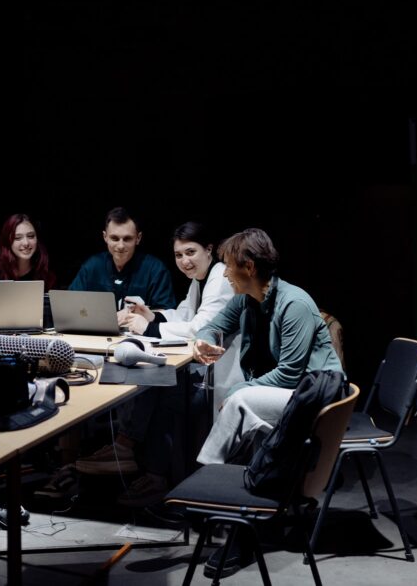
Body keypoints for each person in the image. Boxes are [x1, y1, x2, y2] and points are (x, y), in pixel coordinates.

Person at [74, 221, 238, 506]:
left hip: (219, 376)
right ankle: (140, 462)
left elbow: (200, 327)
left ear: (209, 249)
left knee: (159, 381)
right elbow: (184, 314)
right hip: (203, 368)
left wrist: (148, 328)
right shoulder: (200, 280)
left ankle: (132, 453)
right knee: (155, 379)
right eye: (179, 255)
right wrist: (149, 315)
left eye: (190, 252)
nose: (184, 261)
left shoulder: (219, 278)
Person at [194, 228, 344, 465]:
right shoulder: (245, 300)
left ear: (249, 267)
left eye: (229, 266)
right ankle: (241, 472)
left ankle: (208, 471)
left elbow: (289, 374)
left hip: (317, 395)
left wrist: (238, 391)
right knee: (242, 399)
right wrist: (203, 342)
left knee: (240, 400)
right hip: (290, 393)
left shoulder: (294, 304)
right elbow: (212, 327)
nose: (225, 274)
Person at [68, 206, 175, 313]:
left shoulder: (155, 270)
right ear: (105, 237)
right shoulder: (92, 266)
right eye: (114, 238)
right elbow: (71, 304)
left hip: (139, 324)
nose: (120, 246)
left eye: (127, 239)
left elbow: (167, 313)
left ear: (138, 238)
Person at [0, 214, 56, 289]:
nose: (26, 243)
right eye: (17, 238)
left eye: (31, 236)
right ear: (8, 242)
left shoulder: (46, 275)